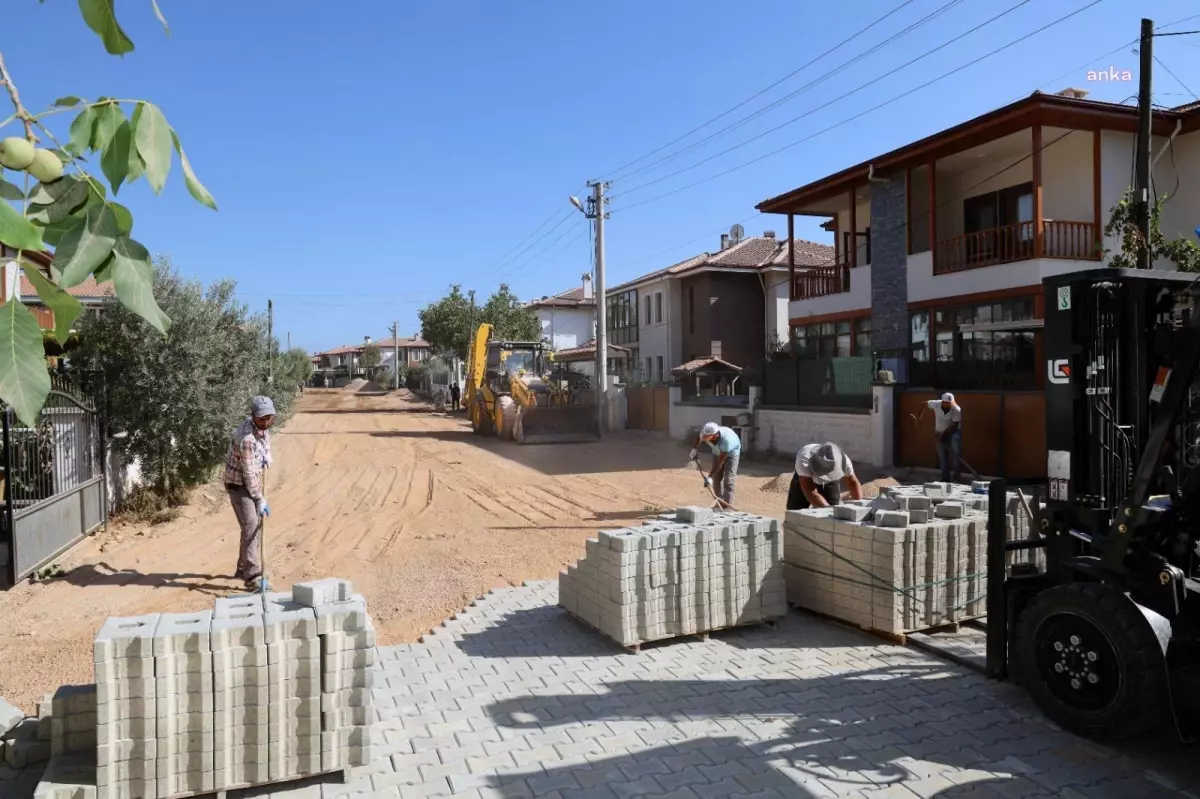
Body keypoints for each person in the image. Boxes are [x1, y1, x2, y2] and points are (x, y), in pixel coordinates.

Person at [224, 396, 275, 591]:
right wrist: (260, 499)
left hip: (248, 480)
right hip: (238, 484)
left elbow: (265, 437)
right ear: (253, 416)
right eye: (262, 419)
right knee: (251, 525)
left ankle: (242, 567)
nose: (266, 422)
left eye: (269, 418)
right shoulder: (246, 439)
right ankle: (252, 576)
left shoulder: (262, 427)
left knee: (252, 526)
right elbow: (249, 475)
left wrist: (266, 453)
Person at [787, 441, 864, 511]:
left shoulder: (844, 462)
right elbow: (810, 491)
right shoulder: (804, 461)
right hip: (806, 477)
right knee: (795, 509)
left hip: (832, 476)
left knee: (833, 504)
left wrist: (860, 508)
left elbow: (853, 482)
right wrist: (828, 511)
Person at [689, 421, 741, 507]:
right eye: (704, 435)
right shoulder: (706, 433)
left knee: (728, 479)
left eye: (707, 437)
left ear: (715, 435)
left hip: (732, 453)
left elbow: (720, 462)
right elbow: (699, 437)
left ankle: (727, 505)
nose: (704, 437)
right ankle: (719, 503)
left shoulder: (727, 441)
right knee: (716, 478)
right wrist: (694, 449)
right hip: (717, 451)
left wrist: (709, 476)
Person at [916, 392, 963, 483]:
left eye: (950, 403)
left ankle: (956, 477)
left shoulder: (957, 409)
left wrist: (942, 435)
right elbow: (923, 404)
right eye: (946, 403)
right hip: (939, 432)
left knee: (956, 455)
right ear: (942, 402)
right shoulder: (936, 404)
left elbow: (955, 425)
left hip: (953, 433)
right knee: (942, 455)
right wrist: (919, 417)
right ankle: (945, 478)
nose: (949, 405)